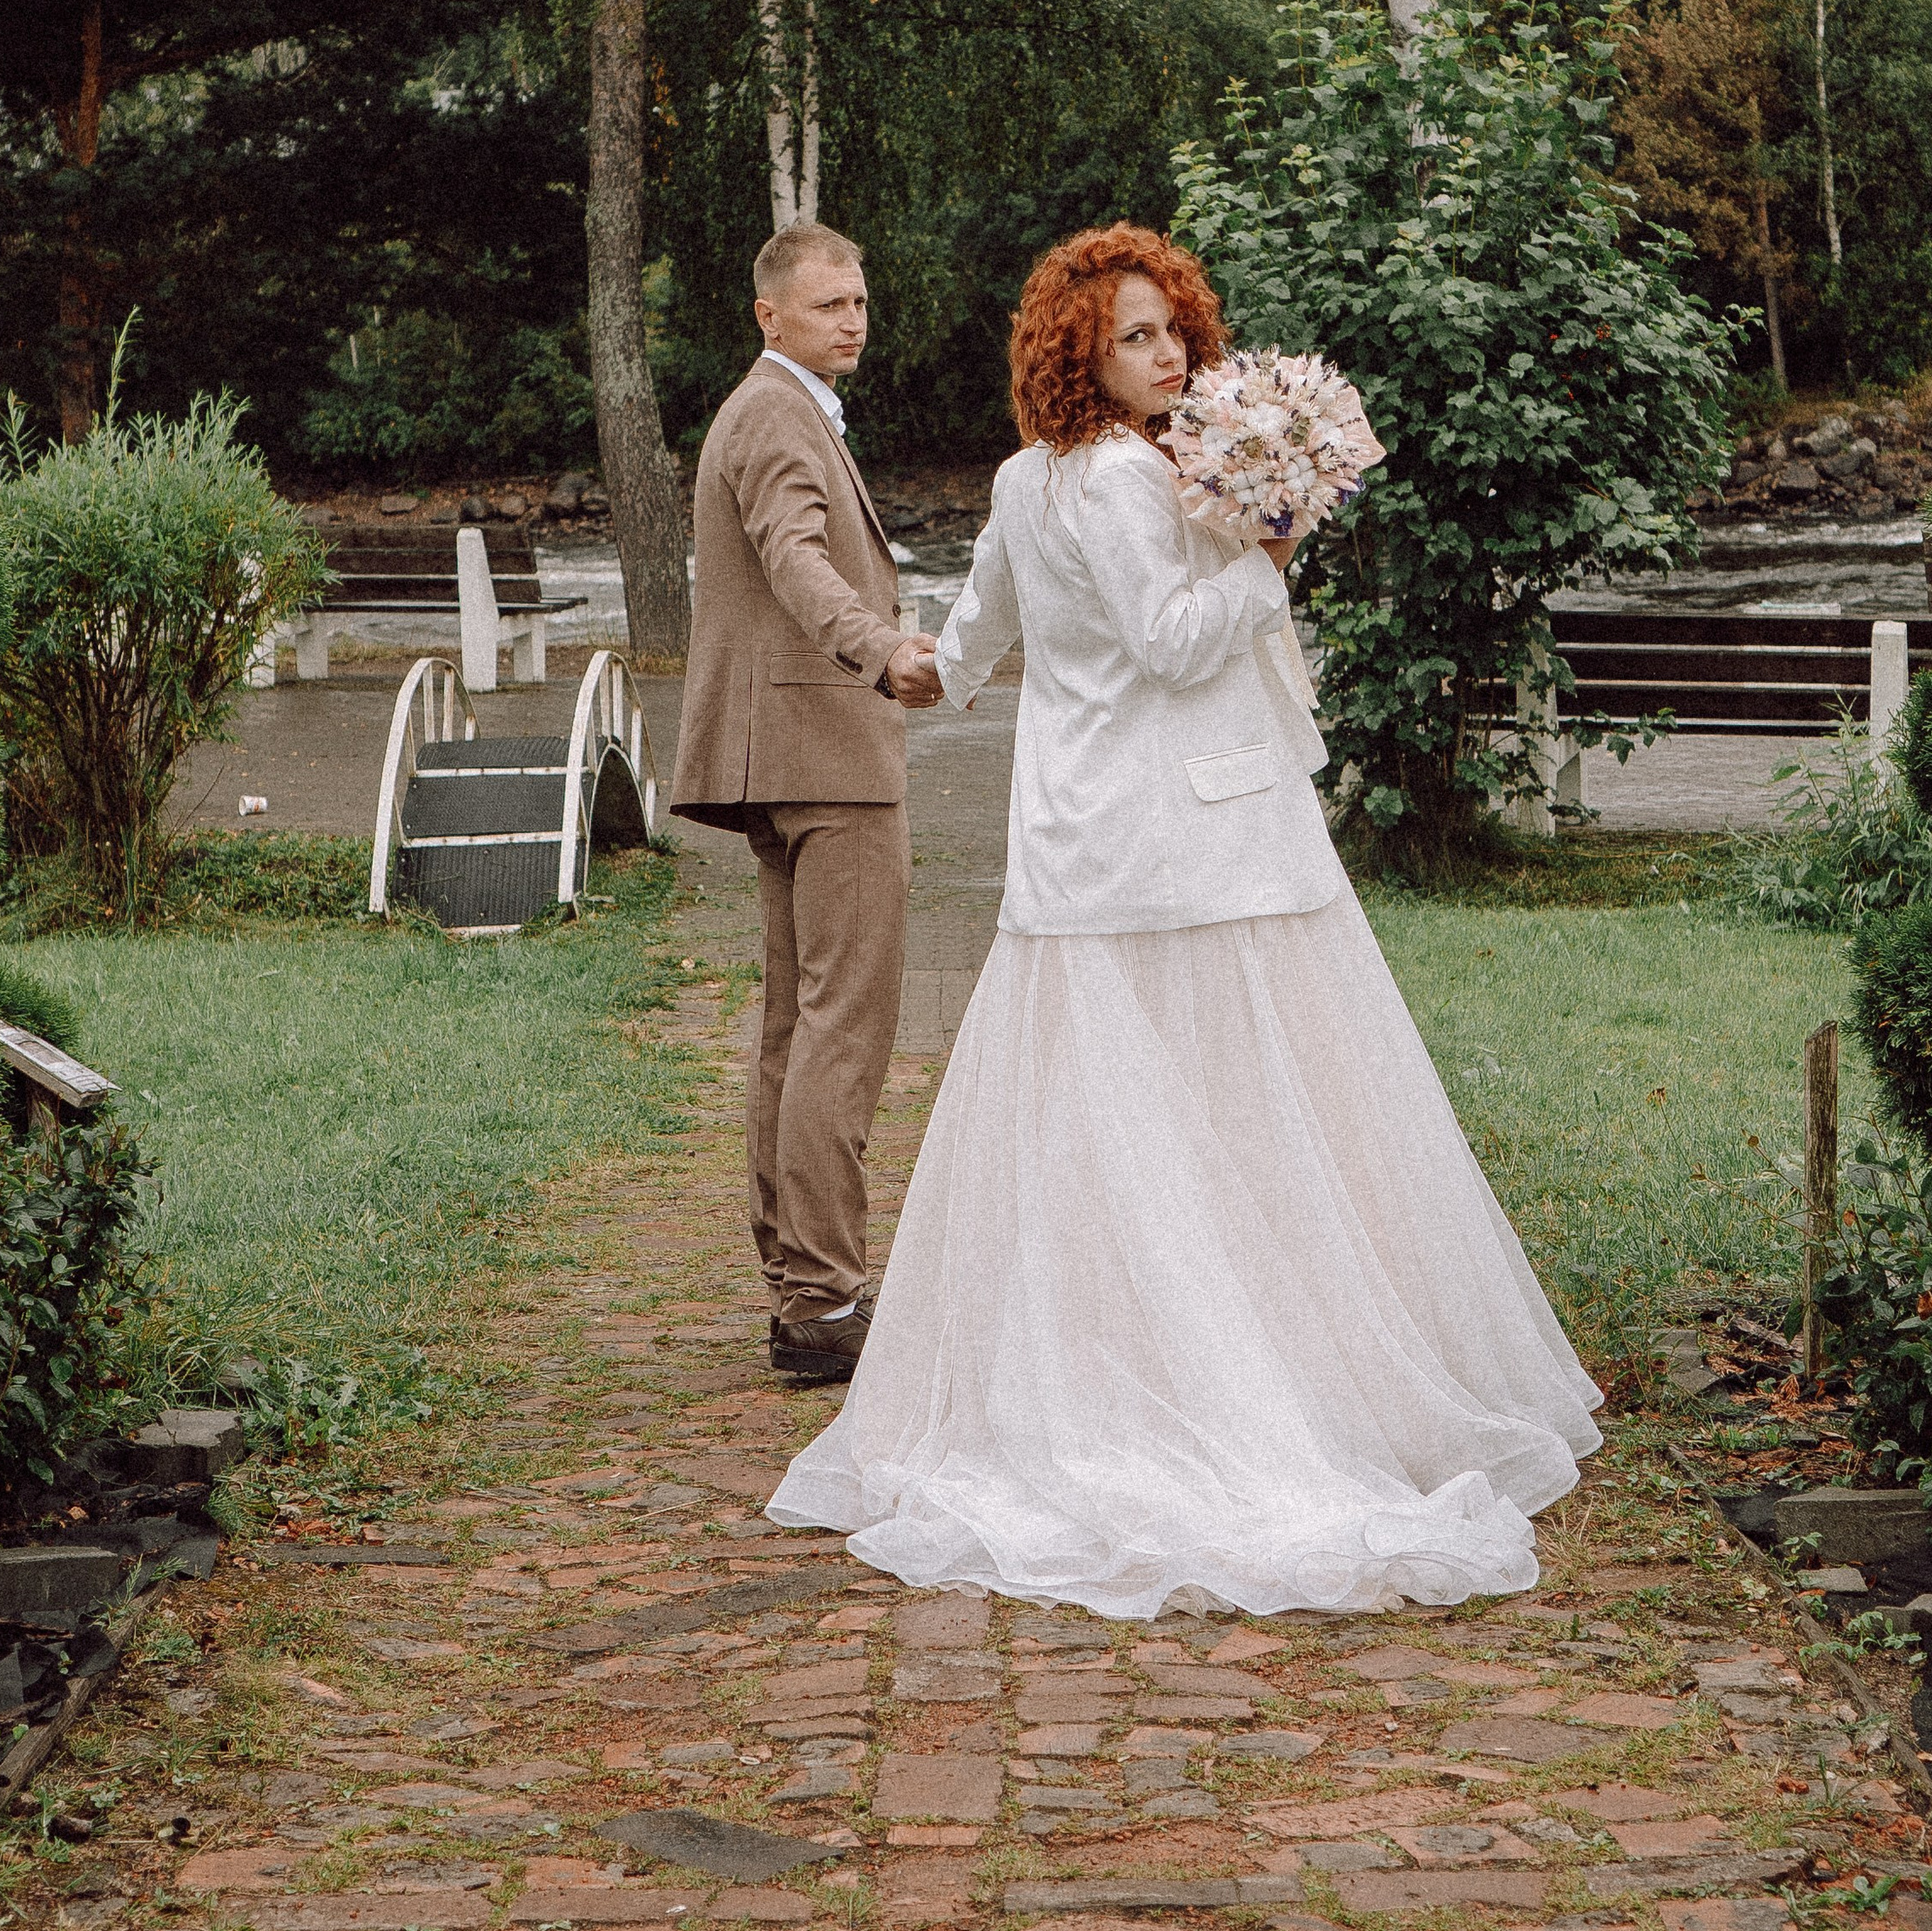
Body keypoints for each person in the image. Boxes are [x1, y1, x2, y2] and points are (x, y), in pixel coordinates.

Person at [769, 220, 1601, 1613]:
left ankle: (1138, 1355)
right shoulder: (1113, 481)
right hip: (1196, 843)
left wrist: (913, 672)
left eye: (1174, 331)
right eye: (1134, 337)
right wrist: (1271, 550)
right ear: (1077, 354)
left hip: (1088, 851)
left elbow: (970, 644)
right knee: (1243, 1106)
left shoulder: (1030, 479)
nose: (1167, 355)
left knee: (1125, 1124)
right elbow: (1166, 641)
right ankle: (1237, 1380)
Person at [670, 221, 943, 1388]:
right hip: (826, 754)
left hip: (785, 753)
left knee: (797, 1026)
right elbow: (794, 557)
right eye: (829, 304)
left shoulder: (776, 407)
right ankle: (825, 1300)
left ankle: (804, 1293)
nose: (853, 322)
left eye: (862, 302)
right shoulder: (778, 413)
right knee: (843, 1026)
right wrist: (878, 647)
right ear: (767, 313)